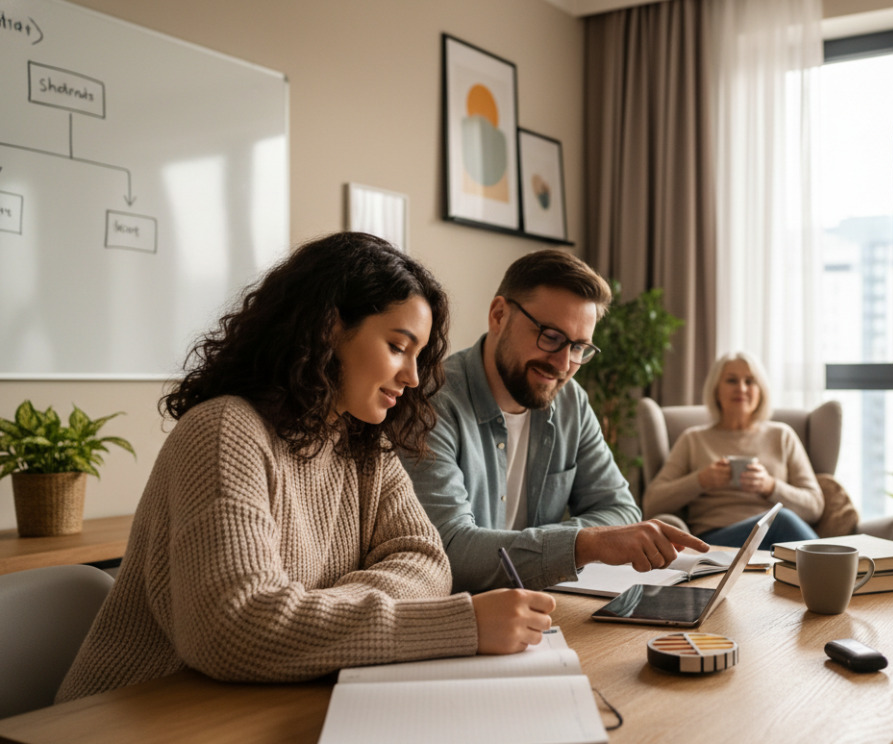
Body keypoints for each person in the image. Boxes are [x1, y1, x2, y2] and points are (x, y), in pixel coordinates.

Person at [57, 232, 555, 703]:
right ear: (329, 329)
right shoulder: (224, 432)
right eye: (398, 347)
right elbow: (235, 629)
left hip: (258, 703)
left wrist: (305, 614)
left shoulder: (363, 445)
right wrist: (457, 625)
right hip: (129, 723)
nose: (411, 375)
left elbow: (428, 562)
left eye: (418, 355)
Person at [400, 248, 709, 594]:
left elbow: (620, 509)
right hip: (464, 619)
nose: (563, 364)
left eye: (579, 348)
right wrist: (583, 544)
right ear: (499, 315)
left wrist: (547, 550)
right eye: (550, 337)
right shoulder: (430, 401)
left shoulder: (570, 401)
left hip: (541, 605)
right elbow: (448, 551)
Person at [642, 351, 823, 547]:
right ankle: (836, 567)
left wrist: (770, 486)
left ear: (761, 390)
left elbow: (814, 506)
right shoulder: (693, 439)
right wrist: (700, 480)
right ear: (716, 390)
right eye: (731, 381)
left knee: (779, 521)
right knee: (780, 521)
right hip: (717, 540)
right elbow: (652, 502)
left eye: (750, 381)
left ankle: (832, 567)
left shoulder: (782, 436)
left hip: (778, 542)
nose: (741, 388)